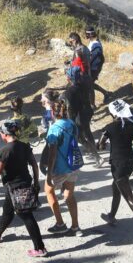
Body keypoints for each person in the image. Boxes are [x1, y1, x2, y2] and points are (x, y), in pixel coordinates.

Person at [0, 120, 47, 258]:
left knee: (26, 216)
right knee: (8, 210)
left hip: (17, 187)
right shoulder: (24, 146)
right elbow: (34, 164)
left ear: (4, 134)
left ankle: (40, 248)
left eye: (0, 133)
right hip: (20, 185)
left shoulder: (6, 150)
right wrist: (36, 182)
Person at [97, 99, 133, 238]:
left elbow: (100, 146)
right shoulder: (132, 126)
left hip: (118, 164)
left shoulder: (109, 128)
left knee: (128, 196)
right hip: (130, 162)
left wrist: (110, 143)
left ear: (113, 113)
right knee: (117, 186)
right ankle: (111, 215)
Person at [44, 99, 83, 236]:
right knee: (69, 195)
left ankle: (60, 223)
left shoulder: (54, 128)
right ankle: (75, 226)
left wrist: (49, 173)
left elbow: (52, 153)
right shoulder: (71, 124)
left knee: (49, 191)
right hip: (73, 165)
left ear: (53, 112)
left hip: (60, 167)